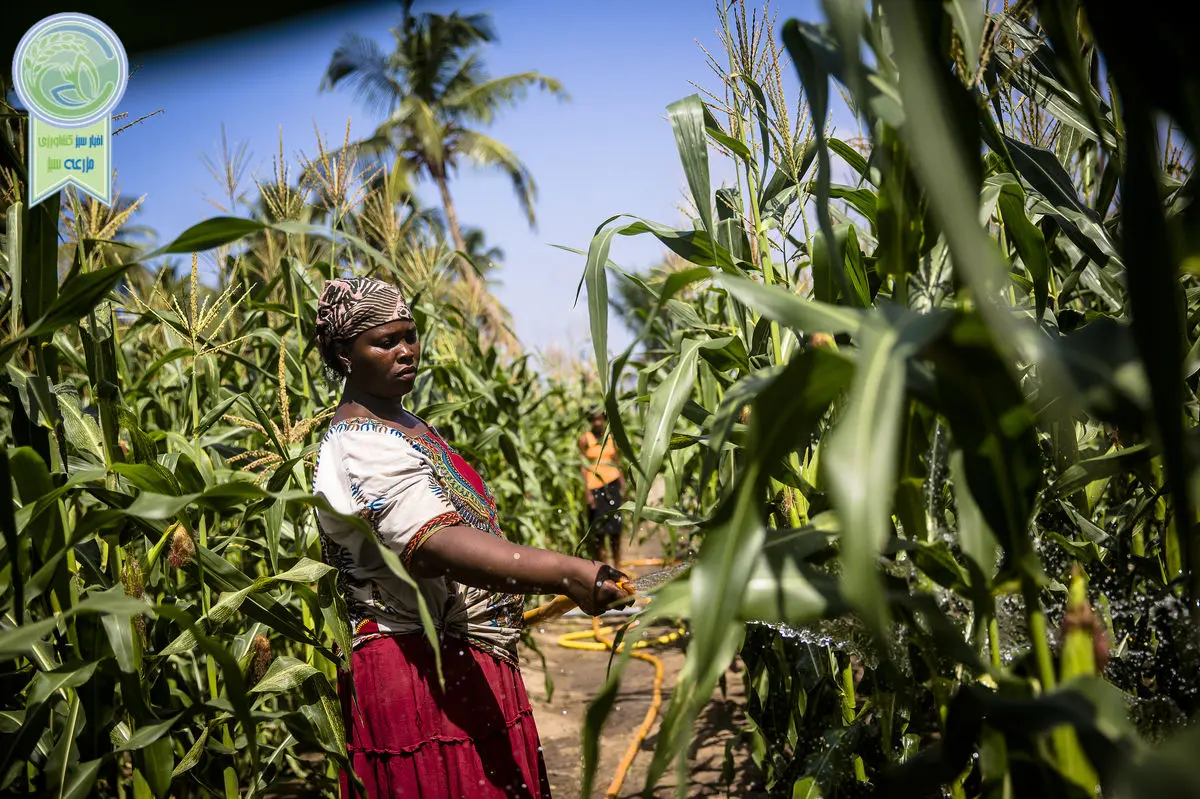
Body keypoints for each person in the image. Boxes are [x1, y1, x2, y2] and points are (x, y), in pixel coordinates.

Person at [310, 276, 630, 799]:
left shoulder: (403, 422)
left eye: (410, 335)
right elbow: (435, 546)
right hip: (418, 672)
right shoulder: (360, 446)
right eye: (384, 341)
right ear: (345, 355)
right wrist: (567, 573)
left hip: (459, 658)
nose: (406, 350)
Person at [578, 409, 625, 567]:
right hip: (595, 488)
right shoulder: (586, 439)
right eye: (594, 420)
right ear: (590, 421)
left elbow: (616, 460)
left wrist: (622, 484)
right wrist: (587, 493)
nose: (598, 423)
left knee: (615, 529)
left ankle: (618, 566)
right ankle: (605, 568)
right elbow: (583, 467)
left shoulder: (610, 437)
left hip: (612, 485)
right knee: (599, 531)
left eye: (600, 419)